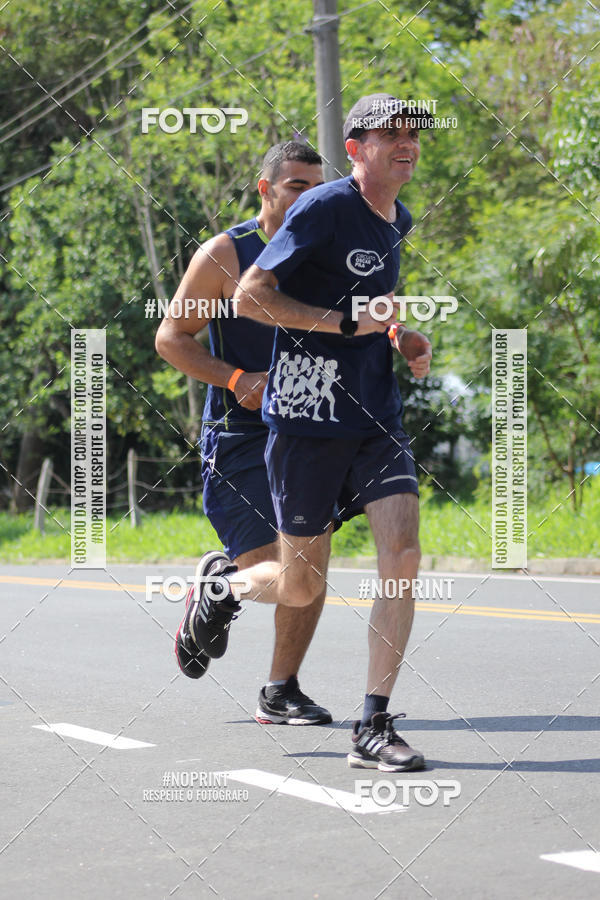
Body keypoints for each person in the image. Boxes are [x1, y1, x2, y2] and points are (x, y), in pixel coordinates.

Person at [185, 92, 433, 771]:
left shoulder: (397, 217)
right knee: (299, 585)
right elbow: (250, 296)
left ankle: (374, 723)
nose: (407, 143)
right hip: (305, 416)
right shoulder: (322, 207)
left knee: (403, 556)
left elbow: (367, 309)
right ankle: (221, 588)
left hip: (376, 413)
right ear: (356, 148)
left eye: (413, 133)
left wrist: (399, 334)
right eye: (391, 134)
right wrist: (346, 326)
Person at [155, 140, 332, 725]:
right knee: (284, 576)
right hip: (240, 436)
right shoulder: (227, 254)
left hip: (310, 430)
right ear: (266, 189)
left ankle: (281, 690)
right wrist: (235, 378)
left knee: (309, 567)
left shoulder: (326, 252)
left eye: (317, 186)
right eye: (295, 186)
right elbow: (170, 339)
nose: (309, 197)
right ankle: (223, 586)